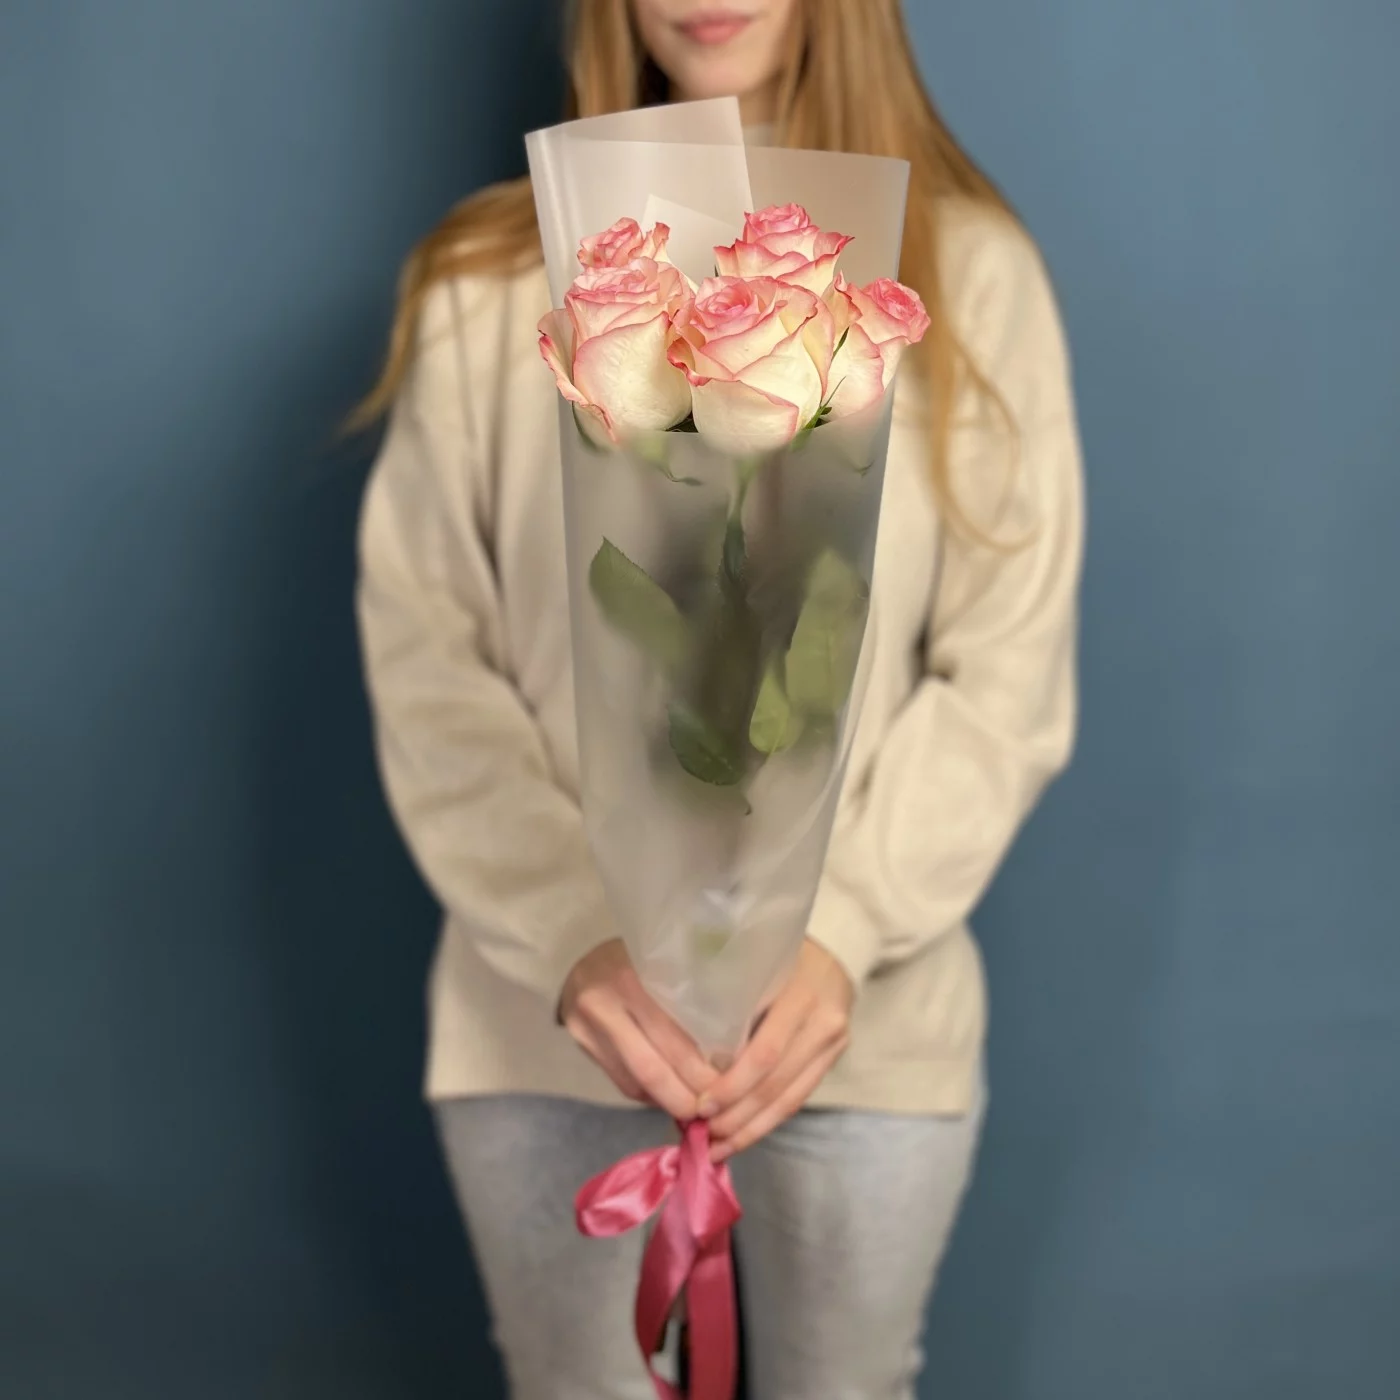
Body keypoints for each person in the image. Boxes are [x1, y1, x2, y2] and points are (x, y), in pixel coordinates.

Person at [356, 1, 1083, 1395]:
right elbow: (427, 654)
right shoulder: (483, 283)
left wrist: (844, 930)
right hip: (550, 1023)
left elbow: (1007, 671)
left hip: (859, 1030)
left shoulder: (969, 277)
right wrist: (570, 932)